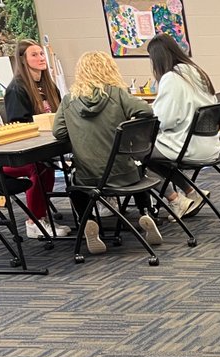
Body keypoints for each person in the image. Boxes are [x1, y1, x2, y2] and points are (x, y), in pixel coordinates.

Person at [53, 52, 162, 257]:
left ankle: (89, 222)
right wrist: (126, 126)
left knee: (74, 184)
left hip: (89, 177)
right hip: (125, 174)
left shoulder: (69, 100)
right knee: (135, 166)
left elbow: (58, 132)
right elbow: (146, 112)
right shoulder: (117, 94)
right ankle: (145, 213)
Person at [0, 41, 70, 239]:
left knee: (48, 165)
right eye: (34, 55)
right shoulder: (17, 89)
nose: (41, 58)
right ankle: (34, 221)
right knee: (39, 168)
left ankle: (54, 213)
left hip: (48, 145)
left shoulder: (48, 86)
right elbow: (19, 125)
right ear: (23, 60)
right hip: (16, 156)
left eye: (41, 54)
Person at [145, 33, 218, 220]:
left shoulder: (171, 78)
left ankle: (176, 199)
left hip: (185, 146)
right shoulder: (195, 71)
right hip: (207, 144)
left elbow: (164, 120)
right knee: (152, 157)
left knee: (136, 155)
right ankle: (191, 191)